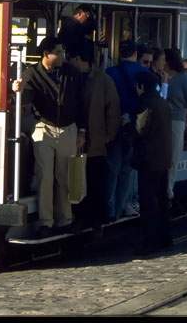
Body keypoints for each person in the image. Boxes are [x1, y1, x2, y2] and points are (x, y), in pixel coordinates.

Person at [12, 36, 86, 238]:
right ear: (47, 54)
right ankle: (46, 221)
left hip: (68, 128)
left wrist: (82, 131)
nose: (63, 56)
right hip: (43, 127)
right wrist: (16, 89)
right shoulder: (32, 73)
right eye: (59, 52)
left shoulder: (71, 73)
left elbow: (81, 102)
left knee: (64, 177)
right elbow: (23, 98)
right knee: (45, 176)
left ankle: (65, 219)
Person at [67, 40, 121, 232]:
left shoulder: (102, 80)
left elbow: (113, 110)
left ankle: (93, 220)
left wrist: (107, 136)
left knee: (93, 181)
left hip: (95, 143)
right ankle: (80, 217)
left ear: (78, 58)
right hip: (74, 141)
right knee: (76, 181)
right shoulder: (72, 77)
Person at [105, 40, 150, 221]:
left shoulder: (110, 73)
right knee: (127, 170)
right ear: (135, 54)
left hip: (114, 125)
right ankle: (120, 207)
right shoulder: (143, 73)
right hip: (134, 127)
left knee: (112, 169)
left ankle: (108, 209)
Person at [133, 71, 173, 256]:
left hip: (149, 159)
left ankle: (149, 240)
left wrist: (127, 124)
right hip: (163, 158)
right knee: (162, 199)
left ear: (141, 86)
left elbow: (141, 129)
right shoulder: (163, 103)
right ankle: (165, 237)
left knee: (148, 202)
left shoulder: (145, 103)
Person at [164, 48, 187, 209]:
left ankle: (168, 192)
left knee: (172, 158)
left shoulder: (183, 79)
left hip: (175, 121)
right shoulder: (160, 76)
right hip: (158, 122)